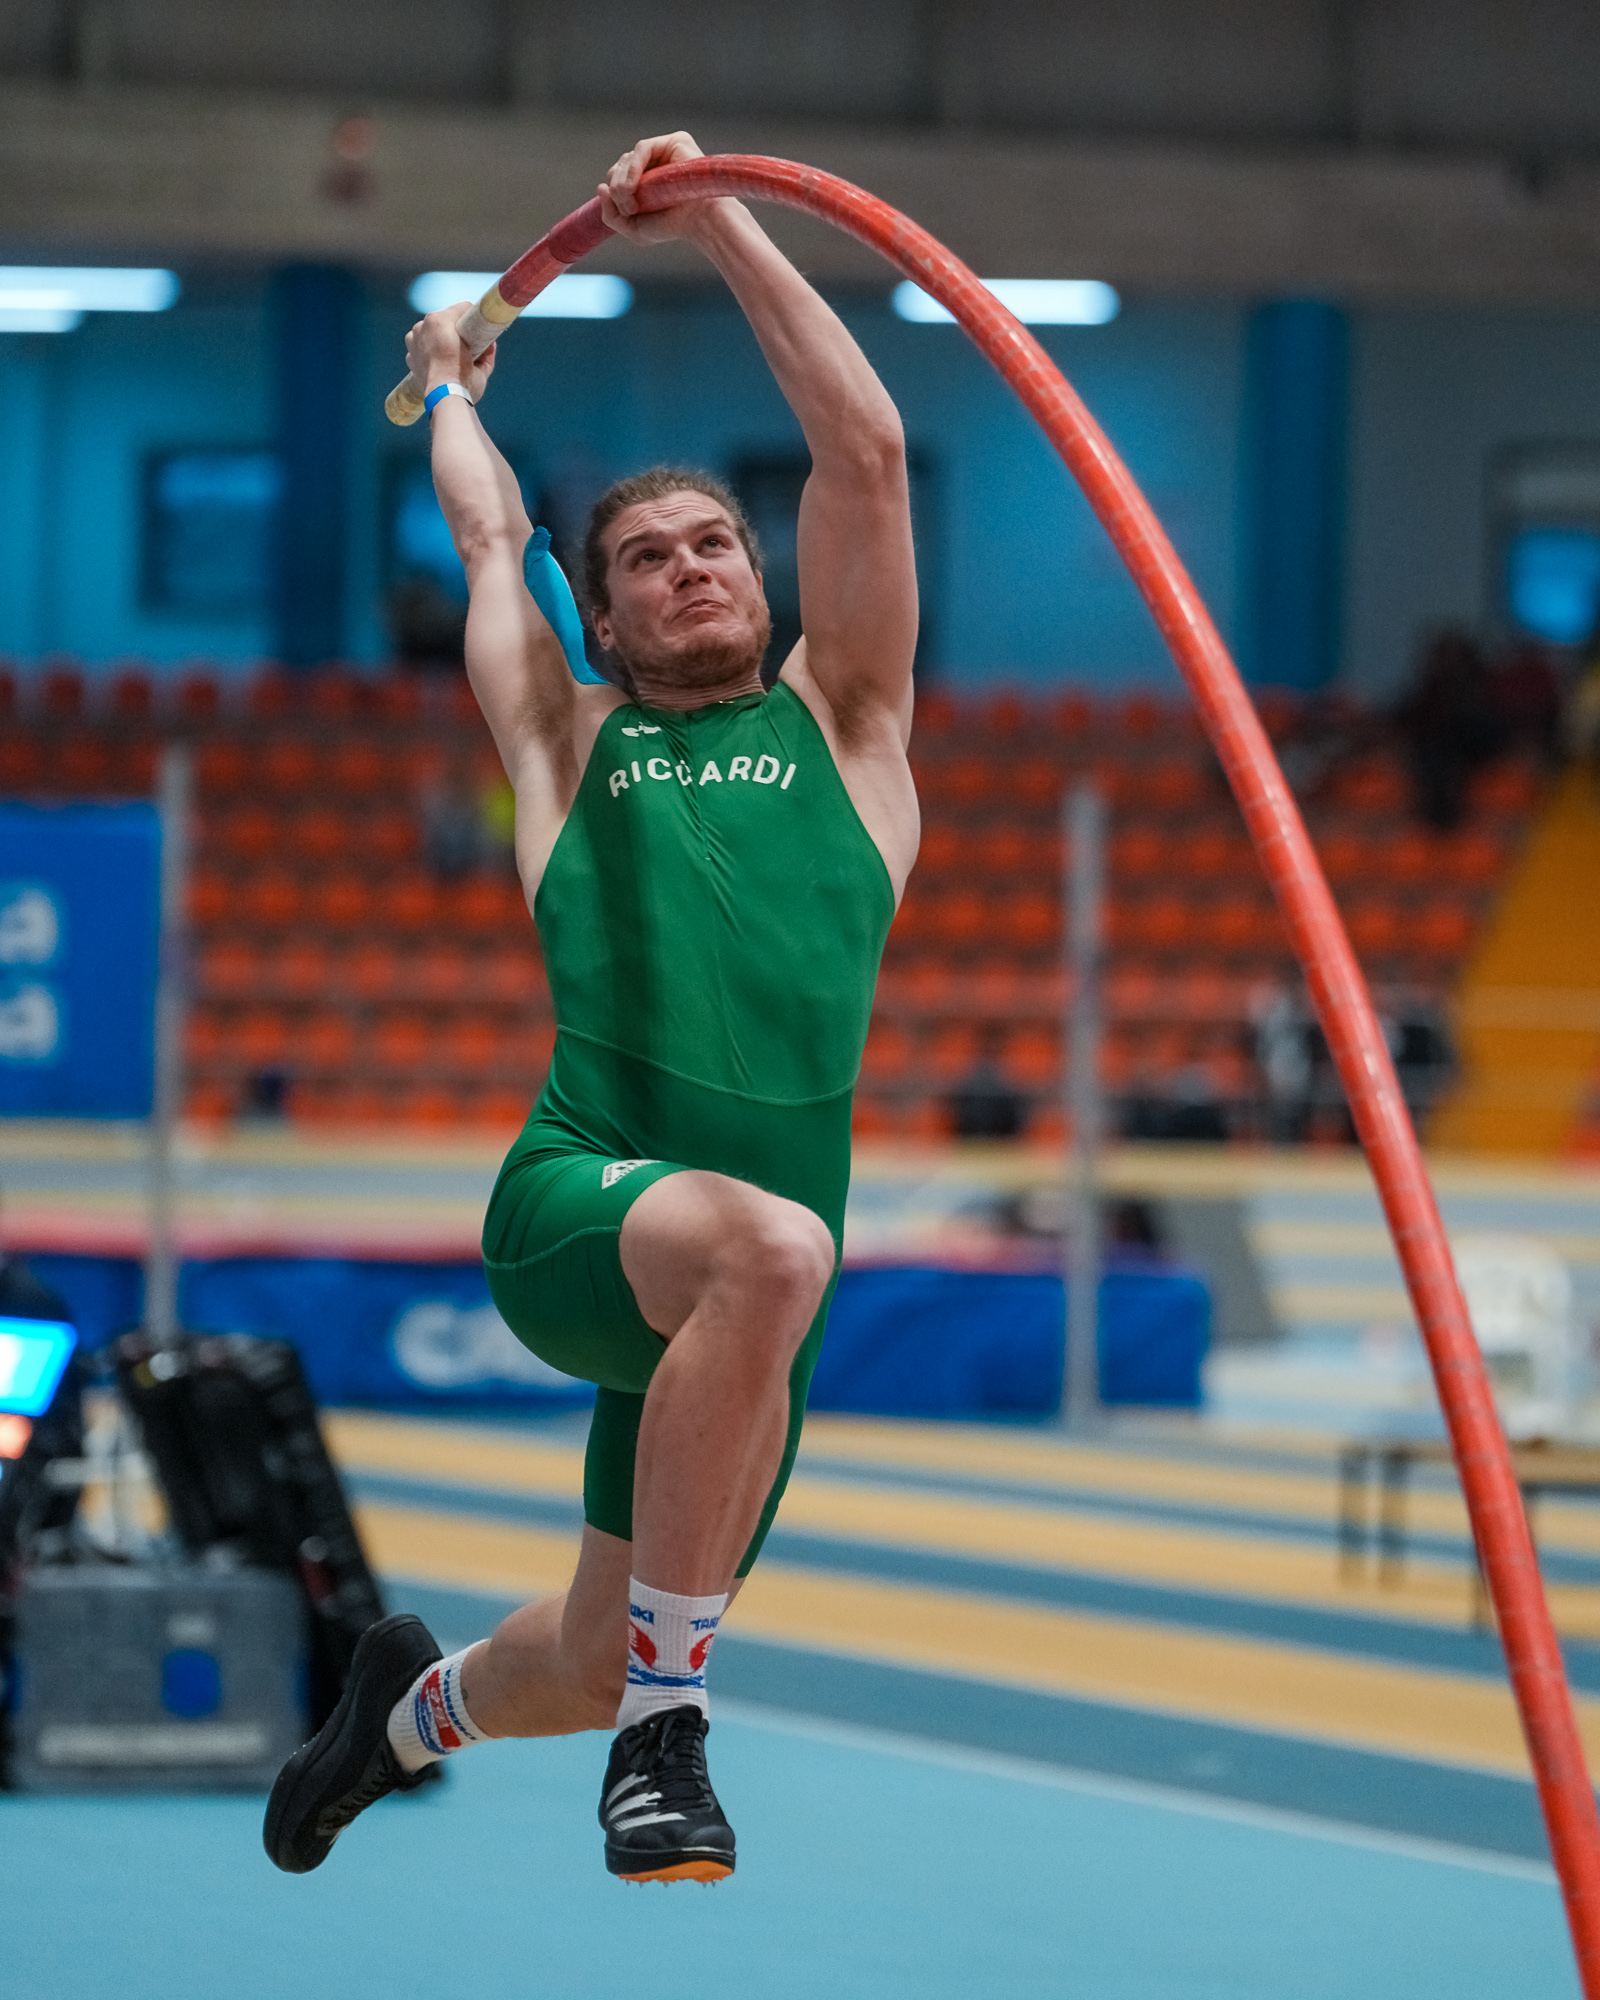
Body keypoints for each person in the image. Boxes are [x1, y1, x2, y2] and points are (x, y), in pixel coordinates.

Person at [264, 131, 919, 1886]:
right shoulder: (568, 743)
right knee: (777, 1255)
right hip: (588, 1211)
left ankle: (391, 1717)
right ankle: (670, 1738)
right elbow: (487, 538)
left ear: (764, 577)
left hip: (738, 1314)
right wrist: (451, 384)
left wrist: (716, 218)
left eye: (721, 540)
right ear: (609, 612)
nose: (698, 565)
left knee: (579, 1649)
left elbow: (861, 447)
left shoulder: (852, 730)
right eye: (650, 555)